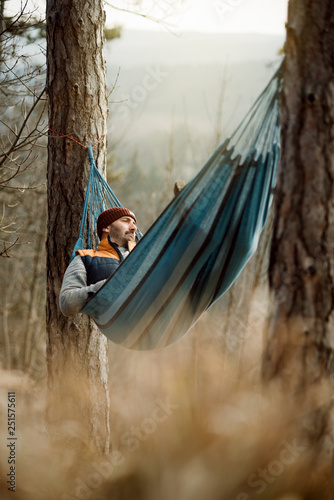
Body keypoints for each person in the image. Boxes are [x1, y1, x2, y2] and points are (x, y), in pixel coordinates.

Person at [59, 207, 137, 317]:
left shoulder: (144, 256)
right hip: (116, 325)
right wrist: (109, 286)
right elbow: (66, 303)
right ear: (106, 228)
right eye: (126, 220)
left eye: (134, 223)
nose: (134, 228)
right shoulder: (86, 258)